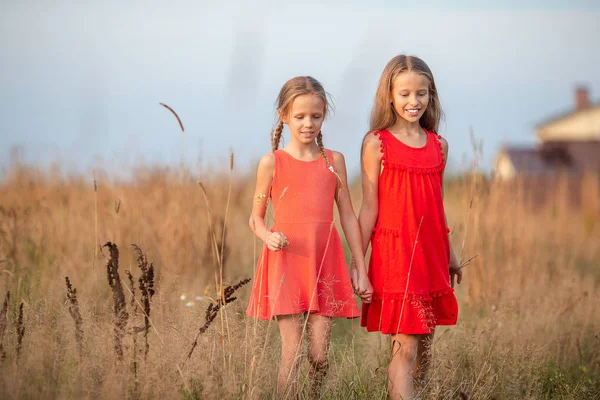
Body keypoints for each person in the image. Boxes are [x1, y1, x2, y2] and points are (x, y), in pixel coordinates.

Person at [246, 76, 373, 398]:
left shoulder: (334, 161)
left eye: (315, 116)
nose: (308, 123)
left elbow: (347, 215)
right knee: (293, 352)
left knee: (319, 355)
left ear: (324, 115)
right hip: (287, 261)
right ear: (284, 116)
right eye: (300, 116)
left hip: (325, 262)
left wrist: (360, 266)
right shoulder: (272, 163)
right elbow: (256, 217)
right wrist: (267, 236)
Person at [357, 55, 463, 400]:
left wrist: (450, 254)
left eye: (421, 93)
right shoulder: (377, 144)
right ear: (389, 95)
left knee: (424, 350)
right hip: (396, 254)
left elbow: (437, 206)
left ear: (431, 95)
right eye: (404, 94)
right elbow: (369, 207)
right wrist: (360, 266)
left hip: (430, 255)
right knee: (405, 350)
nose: (413, 102)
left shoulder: (439, 145)